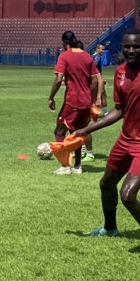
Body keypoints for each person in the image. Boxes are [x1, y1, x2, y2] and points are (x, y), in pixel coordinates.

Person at [73, 29, 140, 255]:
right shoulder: (120, 72)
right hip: (126, 139)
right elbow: (118, 111)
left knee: (127, 195)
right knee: (106, 184)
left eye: (136, 47)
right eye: (127, 47)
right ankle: (110, 228)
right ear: (122, 48)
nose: (131, 51)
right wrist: (86, 129)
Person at [48, 31, 98, 175]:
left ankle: (65, 166)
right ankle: (77, 166)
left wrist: (51, 97)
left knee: (59, 131)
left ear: (65, 42)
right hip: (86, 101)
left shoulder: (64, 56)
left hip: (73, 100)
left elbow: (58, 79)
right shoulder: (87, 56)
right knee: (76, 132)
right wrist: (92, 99)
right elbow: (94, 80)